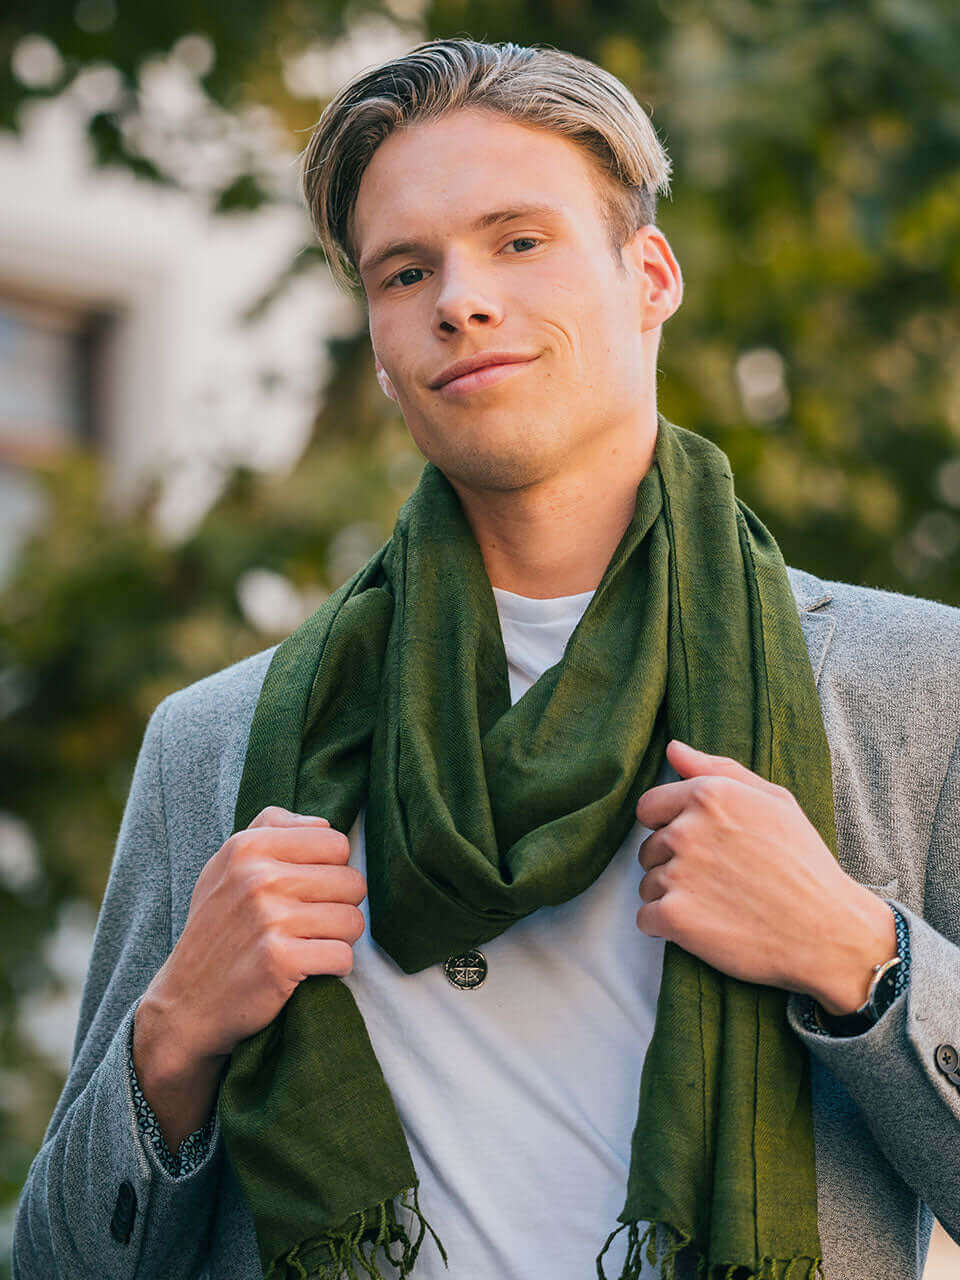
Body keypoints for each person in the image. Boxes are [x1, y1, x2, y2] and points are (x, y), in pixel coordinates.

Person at [12, 37, 960, 1280]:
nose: (461, 298)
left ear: (650, 275)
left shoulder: (911, 685)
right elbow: (60, 1261)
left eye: (520, 240)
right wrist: (174, 1037)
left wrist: (860, 952)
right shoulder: (223, 745)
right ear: (380, 337)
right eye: (407, 270)